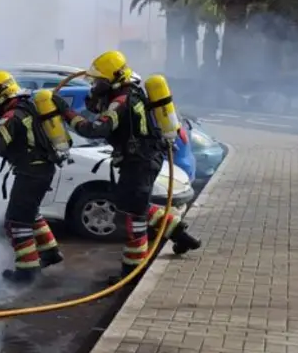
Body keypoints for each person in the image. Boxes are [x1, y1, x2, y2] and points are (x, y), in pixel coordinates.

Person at [55, 50, 201, 282]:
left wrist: (66, 112)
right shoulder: (127, 93)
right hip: (141, 161)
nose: (95, 84)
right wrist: (93, 97)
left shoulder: (121, 101)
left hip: (139, 163)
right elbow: (103, 110)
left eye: (99, 81)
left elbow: (94, 130)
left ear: (112, 80)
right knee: (136, 206)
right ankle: (179, 233)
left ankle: (132, 272)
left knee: (132, 217)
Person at [0, 69, 66, 284]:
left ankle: (27, 272)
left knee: (15, 222)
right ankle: (50, 252)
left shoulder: (12, 116)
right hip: (41, 170)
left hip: (31, 173)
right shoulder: (29, 107)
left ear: (1, 94)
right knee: (30, 214)